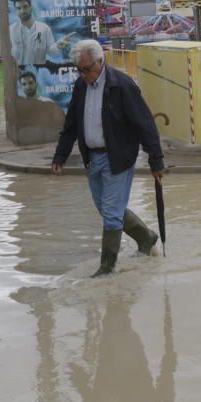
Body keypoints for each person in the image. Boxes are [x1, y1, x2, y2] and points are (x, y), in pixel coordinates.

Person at [52, 39, 165, 277]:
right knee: (106, 209)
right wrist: (60, 155)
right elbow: (71, 124)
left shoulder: (122, 86)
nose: (84, 75)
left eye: (87, 69)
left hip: (119, 157)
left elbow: (145, 124)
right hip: (93, 158)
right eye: (79, 70)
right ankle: (146, 238)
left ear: (100, 61)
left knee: (112, 212)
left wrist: (156, 160)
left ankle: (107, 268)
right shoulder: (81, 87)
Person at [9, 0, 71, 65]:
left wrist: (57, 45)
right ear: (16, 10)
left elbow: (50, 50)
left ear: (31, 7)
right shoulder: (11, 30)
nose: (22, 11)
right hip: (18, 72)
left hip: (37, 71)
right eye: (19, 8)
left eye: (25, 7)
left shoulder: (44, 28)